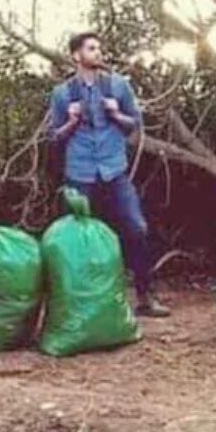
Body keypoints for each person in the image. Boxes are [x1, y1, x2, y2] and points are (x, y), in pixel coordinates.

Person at [47, 31, 171, 318]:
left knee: (137, 228)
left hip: (114, 168)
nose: (98, 53)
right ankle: (79, 304)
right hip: (80, 171)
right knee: (77, 240)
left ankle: (145, 297)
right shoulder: (62, 93)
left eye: (99, 48)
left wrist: (116, 115)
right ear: (76, 55)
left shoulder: (118, 85)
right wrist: (72, 121)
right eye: (91, 49)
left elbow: (134, 125)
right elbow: (54, 137)